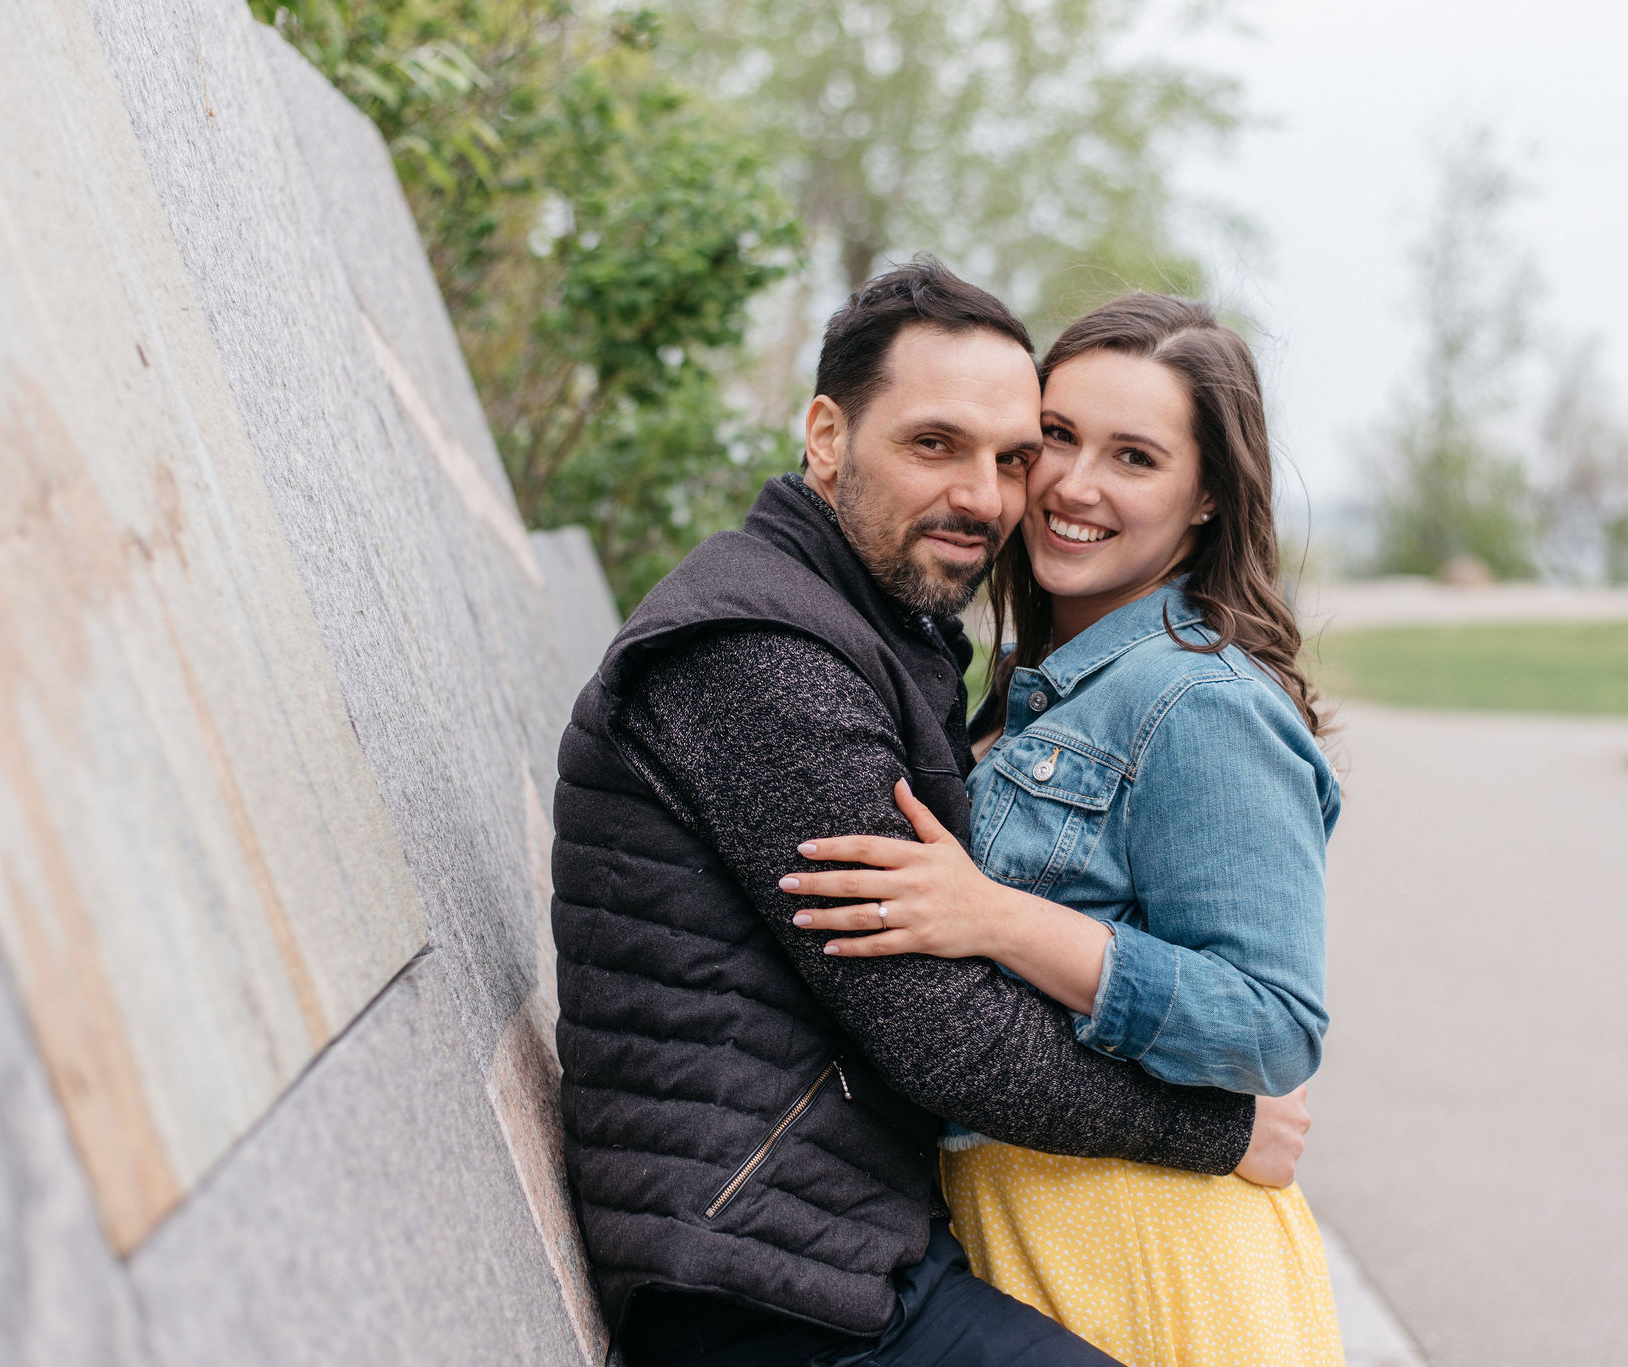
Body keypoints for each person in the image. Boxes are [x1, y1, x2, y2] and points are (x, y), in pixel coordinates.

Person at [551, 260, 1313, 1367]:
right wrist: (1223, 1130)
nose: (993, 494)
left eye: (1010, 456)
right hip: (768, 1284)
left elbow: (1265, 1009)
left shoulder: (875, 637)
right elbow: (944, 1033)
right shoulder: (764, 659)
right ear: (825, 435)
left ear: (1203, 496)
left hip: (837, 1250)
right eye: (933, 444)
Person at [781, 293, 1346, 1366]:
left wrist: (997, 920)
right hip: (1016, 1227)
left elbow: (1273, 1022)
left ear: (1206, 498)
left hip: (1148, 1244)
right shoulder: (1033, 691)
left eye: (1133, 456)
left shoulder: (1197, 702)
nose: (1073, 485)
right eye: (1054, 438)